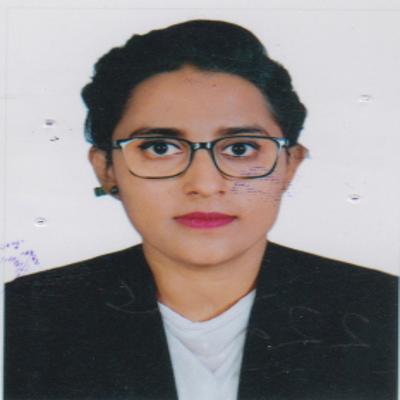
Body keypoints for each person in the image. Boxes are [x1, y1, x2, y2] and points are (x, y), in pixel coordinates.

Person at [4, 19, 397, 400]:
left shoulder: (385, 311)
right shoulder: (22, 317)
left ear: (290, 165)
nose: (206, 185)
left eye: (240, 148)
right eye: (160, 148)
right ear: (106, 169)